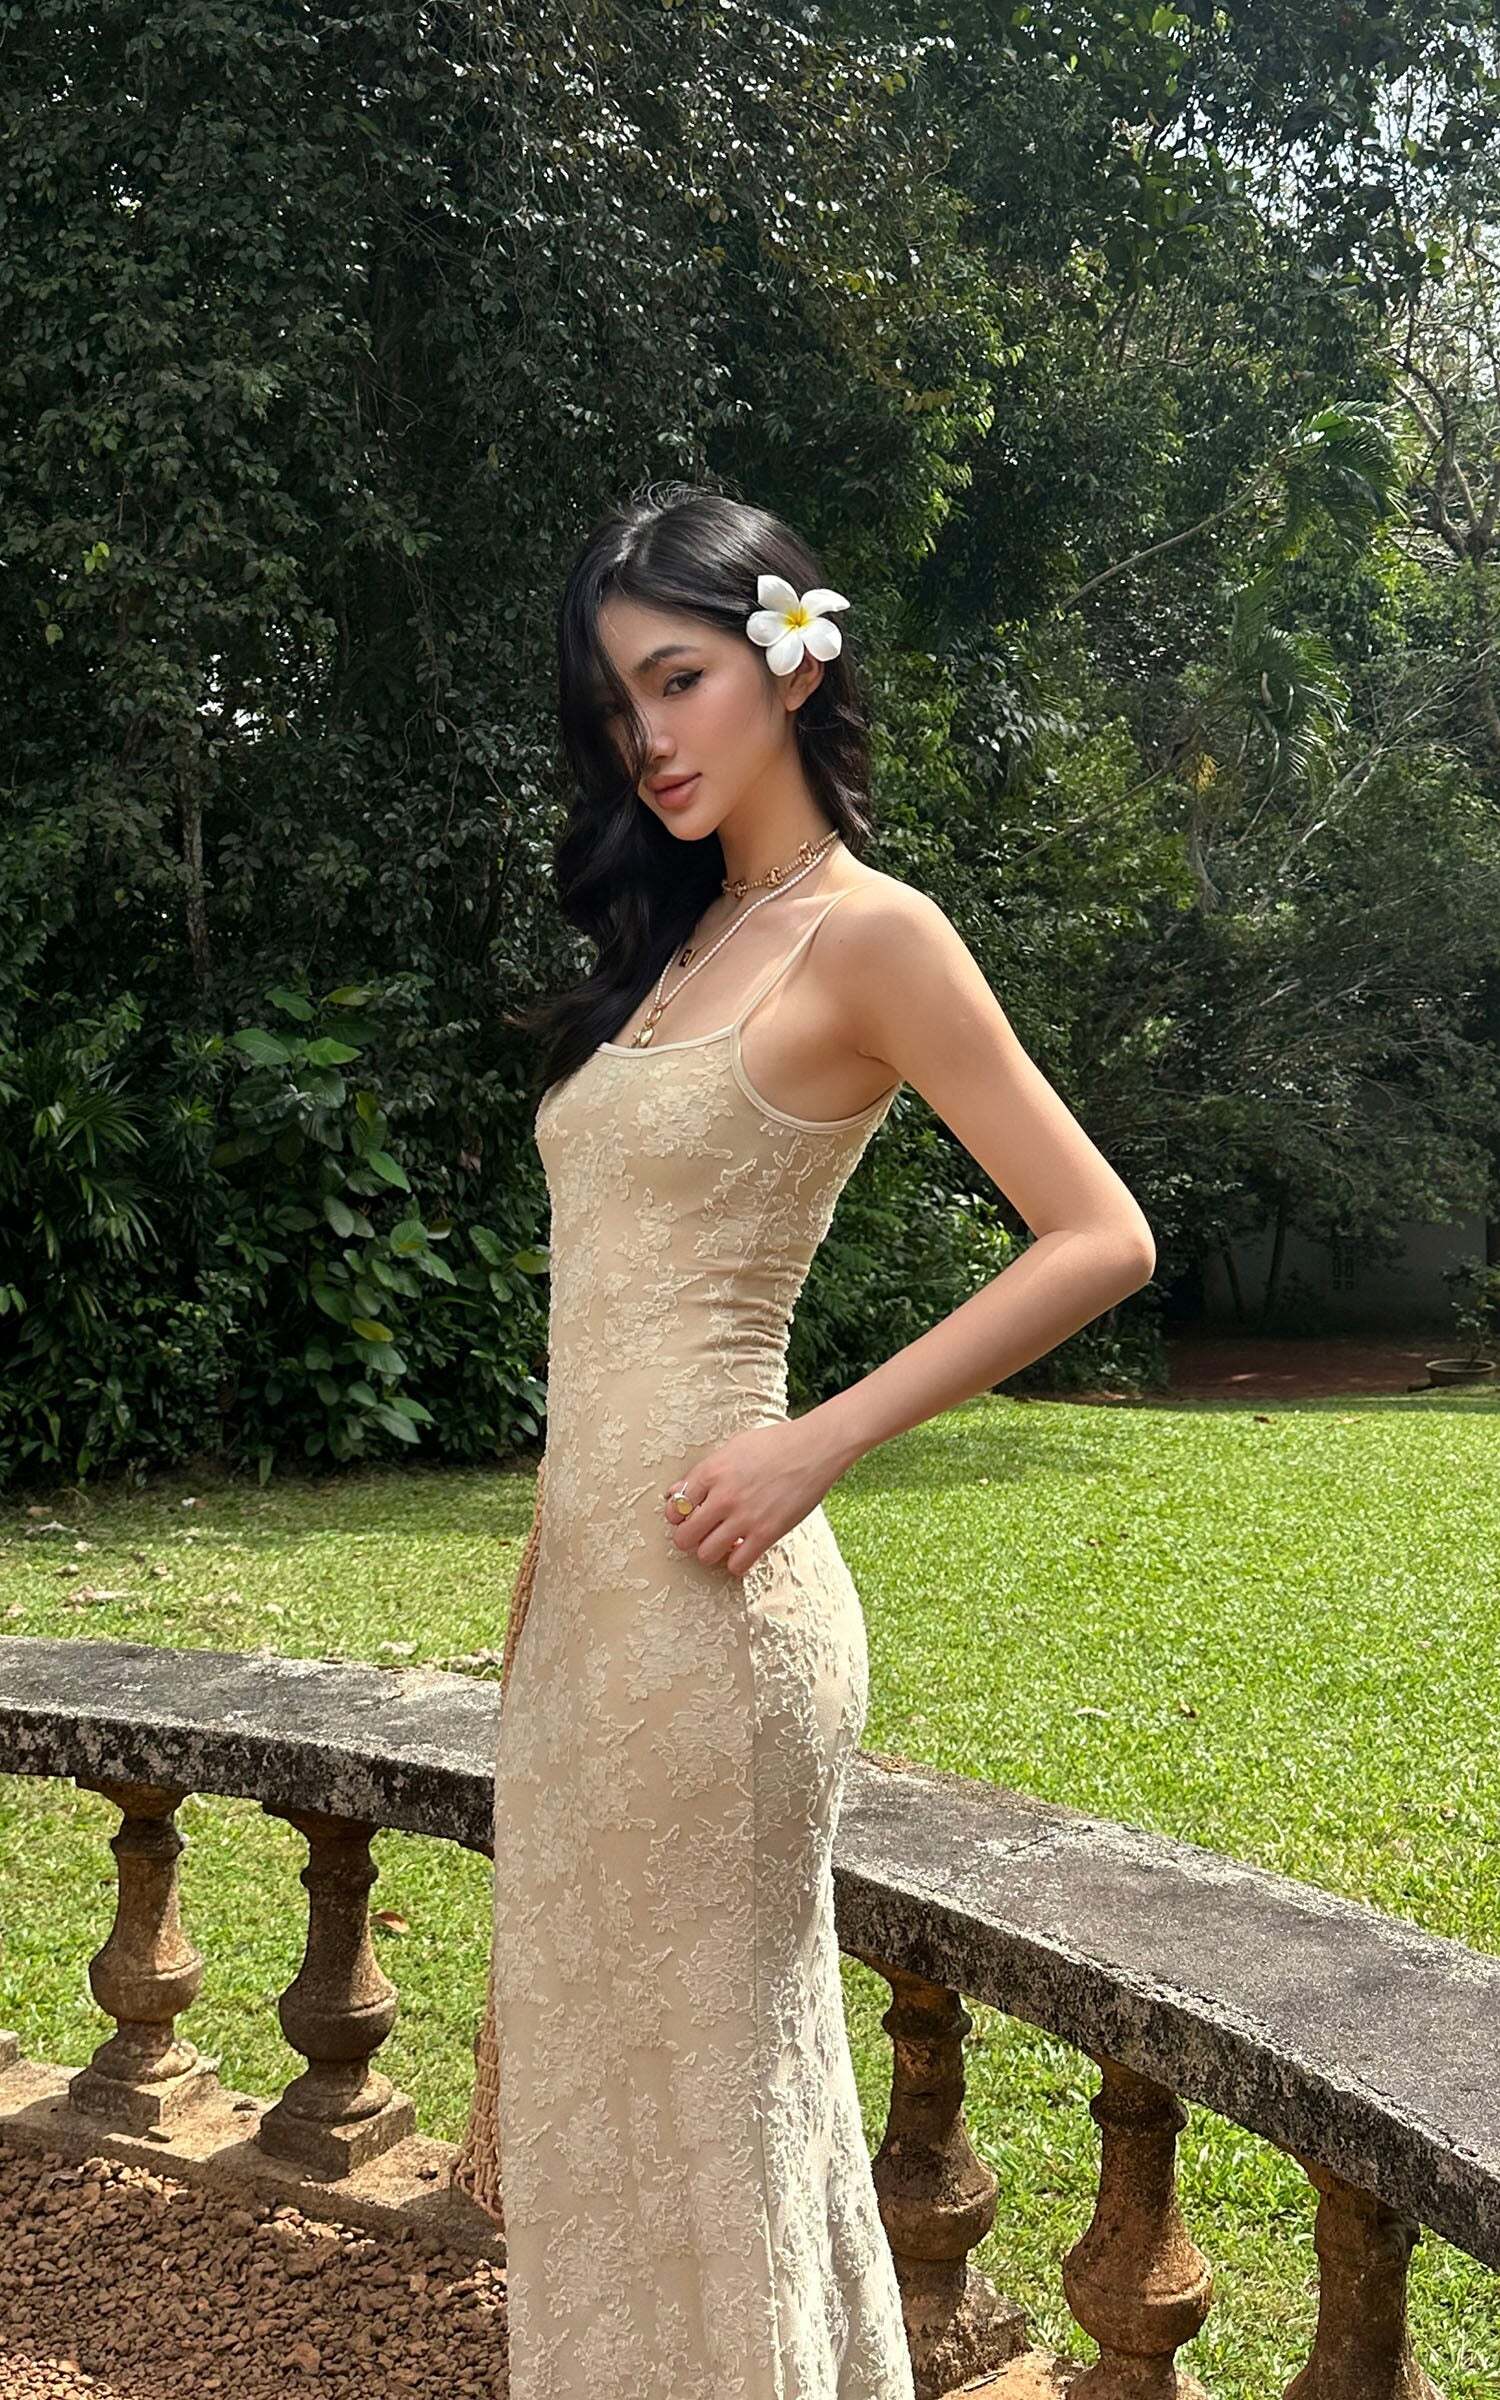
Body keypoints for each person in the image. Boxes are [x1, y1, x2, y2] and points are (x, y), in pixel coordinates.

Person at [451, 481, 1156, 2398]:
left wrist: (816, 1443)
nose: (649, 738)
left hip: (722, 1606)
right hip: (590, 1610)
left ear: (788, 659)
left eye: (677, 678)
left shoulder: (873, 933)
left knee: (716, 2108)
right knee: (622, 2105)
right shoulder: (687, 941)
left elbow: (1099, 1236)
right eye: (617, 705)